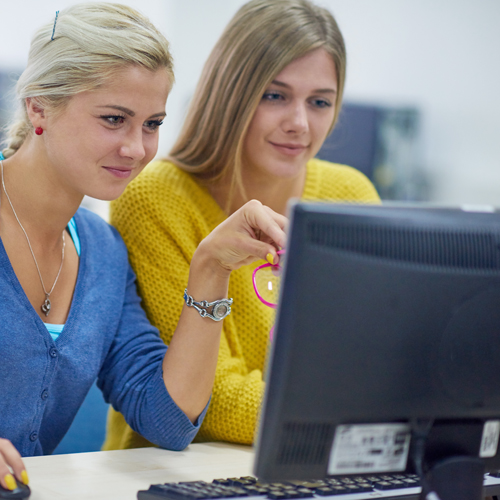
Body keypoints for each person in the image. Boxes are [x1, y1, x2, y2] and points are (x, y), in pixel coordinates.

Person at [0, 3, 286, 492]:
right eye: (114, 119)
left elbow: (167, 419)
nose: (137, 148)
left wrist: (211, 269)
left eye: (152, 124)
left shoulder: (103, 252)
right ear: (39, 106)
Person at [104, 0, 380, 450]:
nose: (298, 123)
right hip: (181, 478)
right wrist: (360, 419)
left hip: (316, 465)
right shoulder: (156, 198)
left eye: (320, 102)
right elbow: (214, 399)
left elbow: (374, 364)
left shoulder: (352, 195)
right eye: (275, 95)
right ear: (231, 92)